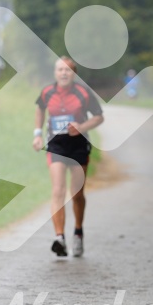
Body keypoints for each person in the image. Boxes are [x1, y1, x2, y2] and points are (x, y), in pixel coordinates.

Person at [32, 57, 104, 257]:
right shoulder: (47, 92)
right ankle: (59, 238)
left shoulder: (83, 93)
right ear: (55, 73)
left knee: (76, 194)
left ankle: (78, 232)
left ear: (74, 74)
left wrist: (82, 127)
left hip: (78, 145)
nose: (64, 73)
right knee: (58, 191)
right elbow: (39, 109)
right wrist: (37, 134)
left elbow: (99, 117)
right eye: (60, 70)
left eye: (68, 70)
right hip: (56, 145)